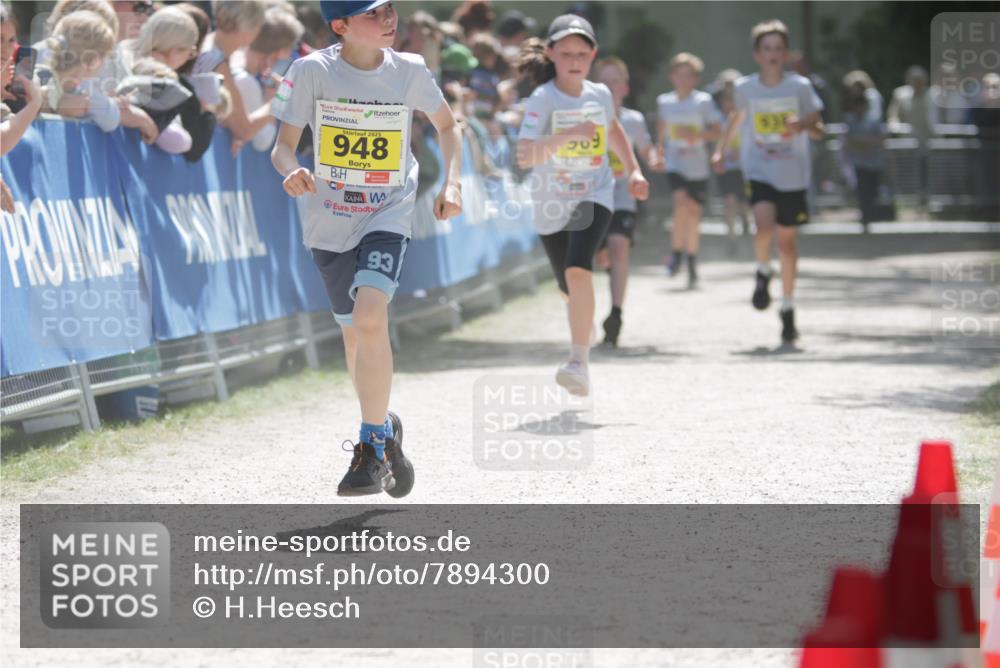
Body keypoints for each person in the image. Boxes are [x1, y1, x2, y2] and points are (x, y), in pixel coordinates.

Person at [270, 0, 463, 497]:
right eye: (374, 14)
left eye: (390, 10)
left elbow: (446, 125)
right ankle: (384, 428)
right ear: (341, 25)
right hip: (329, 220)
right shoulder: (311, 70)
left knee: (371, 318)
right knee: (355, 336)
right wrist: (291, 169)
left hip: (387, 211)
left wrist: (453, 184)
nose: (389, 20)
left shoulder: (410, 70)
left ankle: (371, 445)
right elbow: (282, 145)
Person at [516, 14, 649, 394]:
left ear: (593, 55)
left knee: (579, 269)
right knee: (568, 287)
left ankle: (578, 362)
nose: (575, 61)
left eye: (582, 54)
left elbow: (613, 130)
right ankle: (581, 320)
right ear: (551, 54)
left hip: (595, 191)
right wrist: (570, 134)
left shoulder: (600, 95)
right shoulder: (543, 99)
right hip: (551, 201)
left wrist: (635, 170)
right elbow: (526, 156)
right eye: (566, 53)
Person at [711, 19, 824, 344]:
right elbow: (737, 118)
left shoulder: (800, 87)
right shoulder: (746, 88)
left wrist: (802, 125)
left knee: (787, 245)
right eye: (767, 49)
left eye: (778, 48)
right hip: (760, 169)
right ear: (757, 55)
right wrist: (721, 152)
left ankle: (788, 307)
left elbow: (820, 130)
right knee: (763, 226)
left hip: (793, 174)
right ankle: (763, 270)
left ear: (785, 54)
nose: (773, 54)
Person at [593, 56, 654, 346]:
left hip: (623, 196)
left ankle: (615, 314)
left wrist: (654, 158)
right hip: (590, 197)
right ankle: (609, 271)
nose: (610, 86)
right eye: (603, 81)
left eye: (615, 80)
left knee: (620, 249)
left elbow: (646, 149)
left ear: (625, 88)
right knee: (601, 255)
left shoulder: (633, 120)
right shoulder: (583, 117)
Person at [656, 52, 721, 288]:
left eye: (689, 75)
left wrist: (698, 136)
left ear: (695, 79)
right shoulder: (665, 101)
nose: (683, 80)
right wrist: (659, 151)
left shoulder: (702, 101)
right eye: (679, 75)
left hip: (698, 167)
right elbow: (661, 131)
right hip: (675, 164)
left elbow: (717, 131)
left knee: (693, 213)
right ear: (672, 77)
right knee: (680, 202)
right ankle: (676, 253)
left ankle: (691, 260)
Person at [232, 6, 304, 152]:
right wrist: (277, 96)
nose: (290, 55)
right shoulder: (246, 81)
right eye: (290, 48)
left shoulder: (235, 64)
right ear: (276, 53)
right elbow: (263, 141)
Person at [842, 70, 886, 232]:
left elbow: (879, 135)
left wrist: (866, 141)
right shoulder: (850, 117)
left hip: (873, 159)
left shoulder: (873, 103)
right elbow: (849, 139)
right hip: (859, 160)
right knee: (862, 188)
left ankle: (870, 214)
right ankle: (865, 217)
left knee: (872, 188)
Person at [712, 68, 750, 238]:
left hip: (745, 167)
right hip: (726, 167)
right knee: (729, 201)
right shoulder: (716, 116)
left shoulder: (747, 112)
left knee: (744, 202)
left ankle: (745, 222)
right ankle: (731, 234)